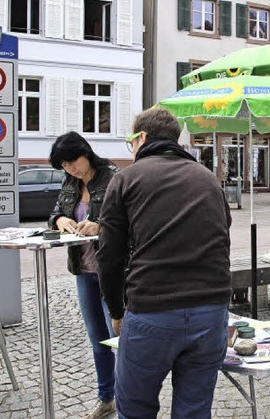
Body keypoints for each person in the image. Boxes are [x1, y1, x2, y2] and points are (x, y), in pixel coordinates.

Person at [96, 107, 232, 418]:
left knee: (135, 410)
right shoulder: (209, 178)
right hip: (210, 310)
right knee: (194, 412)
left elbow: (109, 256)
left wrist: (116, 310)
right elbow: (222, 235)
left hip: (152, 308)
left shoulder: (126, 179)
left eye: (131, 141)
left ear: (141, 138)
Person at [48, 132, 118, 419]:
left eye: (72, 162)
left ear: (85, 152)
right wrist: (60, 219)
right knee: (98, 339)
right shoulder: (70, 182)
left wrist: (100, 226)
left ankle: (129, 400)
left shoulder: (114, 176)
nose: (70, 169)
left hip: (113, 272)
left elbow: (130, 222)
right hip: (83, 271)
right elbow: (55, 212)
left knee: (120, 337)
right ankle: (106, 398)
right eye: (64, 166)